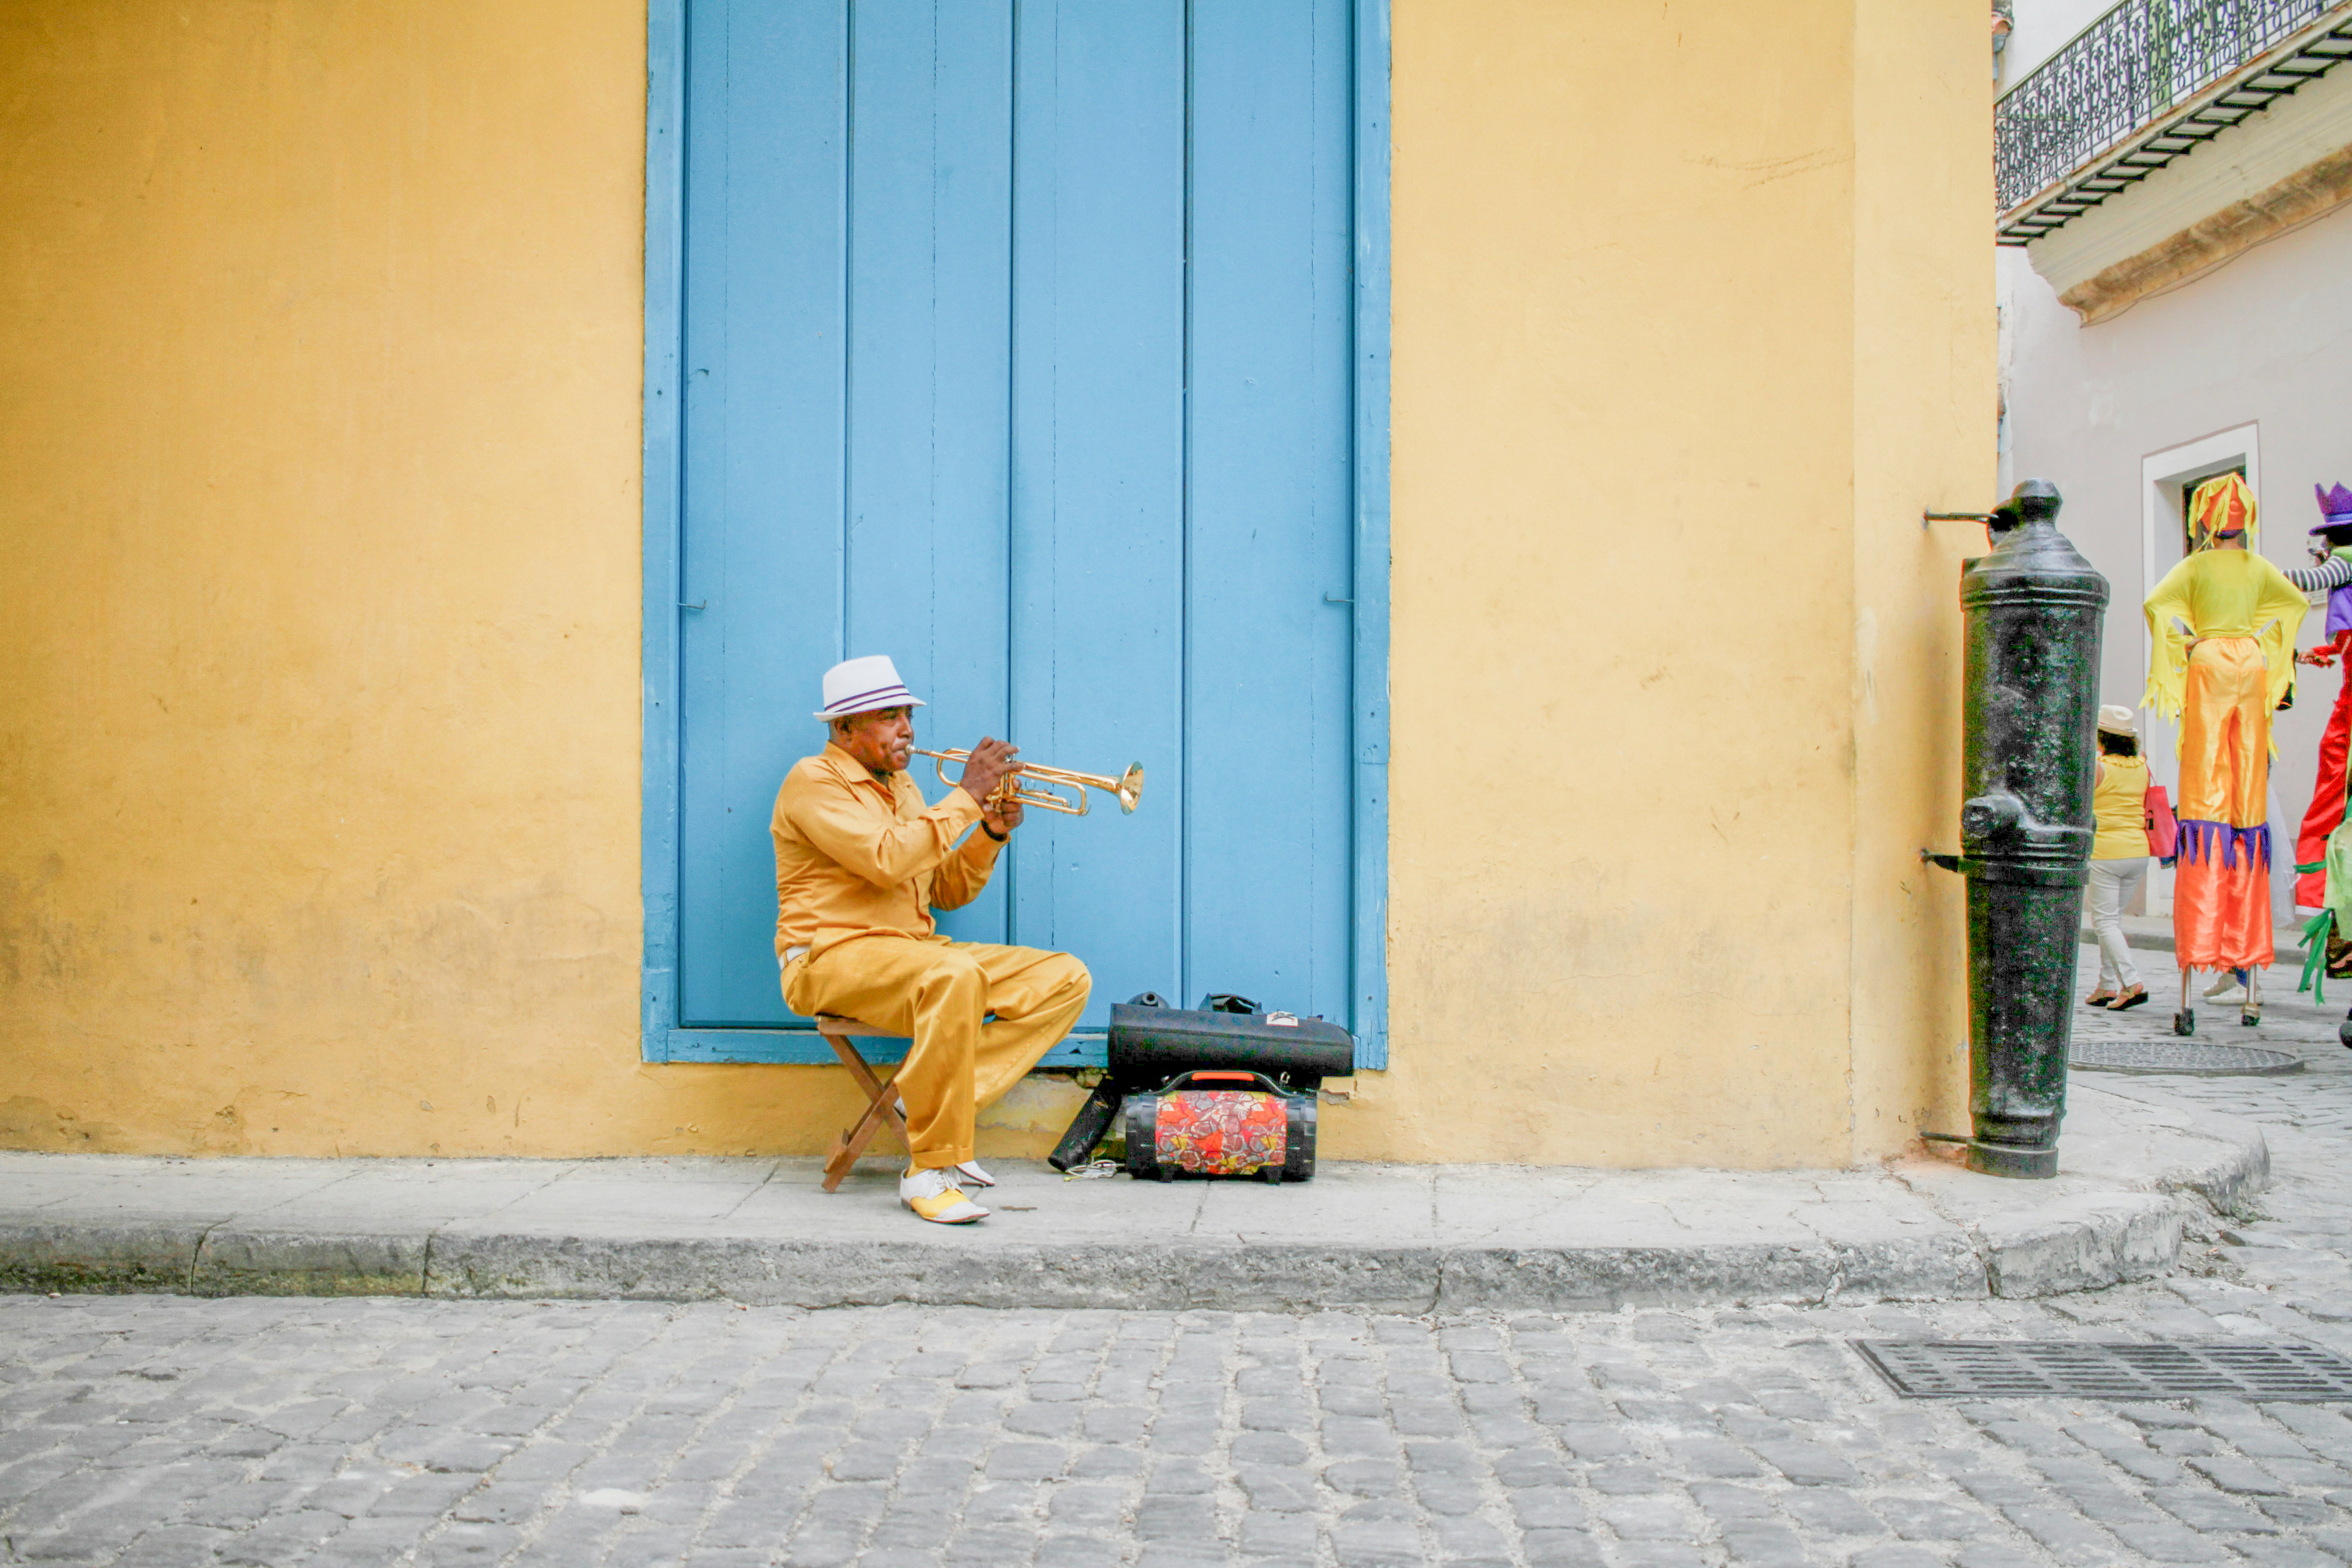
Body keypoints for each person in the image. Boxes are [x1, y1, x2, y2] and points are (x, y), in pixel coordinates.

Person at [770, 655, 1091, 1225]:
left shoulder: (907, 787)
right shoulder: (813, 781)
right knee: (955, 975)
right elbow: (887, 860)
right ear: (844, 729)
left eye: (908, 716)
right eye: (889, 717)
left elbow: (942, 889)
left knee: (1065, 977)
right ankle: (928, 1169)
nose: (907, 730)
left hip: (912, 955)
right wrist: (968, 796)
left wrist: (989, 832)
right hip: (829, 958)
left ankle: (920, 1100)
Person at [2142, 473, 2309, 1022]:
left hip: (2210, 662)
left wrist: (2179, 648)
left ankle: (2204, 949)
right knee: (2246, 800)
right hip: (2251, 666)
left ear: (2204, 521)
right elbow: (2293, 605)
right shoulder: (2259, 569)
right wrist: (2266, 648)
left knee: (2204, 790)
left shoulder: (2193, 567)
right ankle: (2246, 966)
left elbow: (2157, 605)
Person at [2284, 483, 2352, 911]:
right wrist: (2321, 653)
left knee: (2333, 779)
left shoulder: (2345, 561)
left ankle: (2317, 890)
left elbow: (2311, 581)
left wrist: (2247, 573)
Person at [2085, 705, 2152, 1010]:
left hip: (2106, 852)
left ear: (2102, 736)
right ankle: (2107, 985)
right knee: (2112, 921)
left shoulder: (2097, 767)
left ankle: (2132, 982)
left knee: (2105, 922)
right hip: (2138, 851)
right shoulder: (2142, 765)